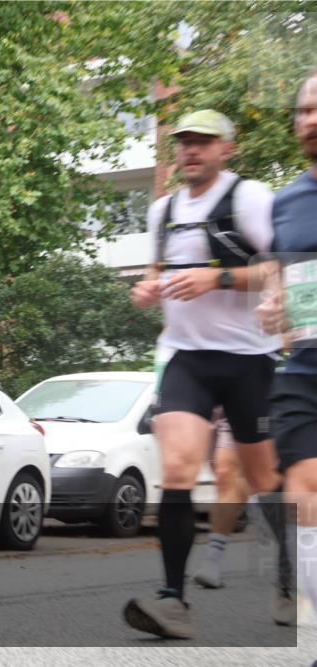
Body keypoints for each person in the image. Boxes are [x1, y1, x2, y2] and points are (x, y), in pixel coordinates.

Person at [125, 109, 287, 638]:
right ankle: (173, 601)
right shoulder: (163, 210)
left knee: (263, 480)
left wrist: (216, 279)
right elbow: (157, 270)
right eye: (184, 142)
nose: (190, 150)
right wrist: (146, 288)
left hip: (249, 358)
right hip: (186, 357)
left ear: (226, 149)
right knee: (176, 469)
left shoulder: (249, 198)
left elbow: (278, 268)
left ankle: (290, 579)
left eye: (203, 141)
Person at [256, 68, 317, 625]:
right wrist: (273, 307)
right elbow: (278, 280)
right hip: (304, 368)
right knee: (303, 490)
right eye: (303, 110)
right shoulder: (288, 202)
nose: (311, 119)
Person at [191, 410, 251, 590]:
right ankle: (212, 561)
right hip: (218, 408)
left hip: (262, 406)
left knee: (239, 477)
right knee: (224, 476)